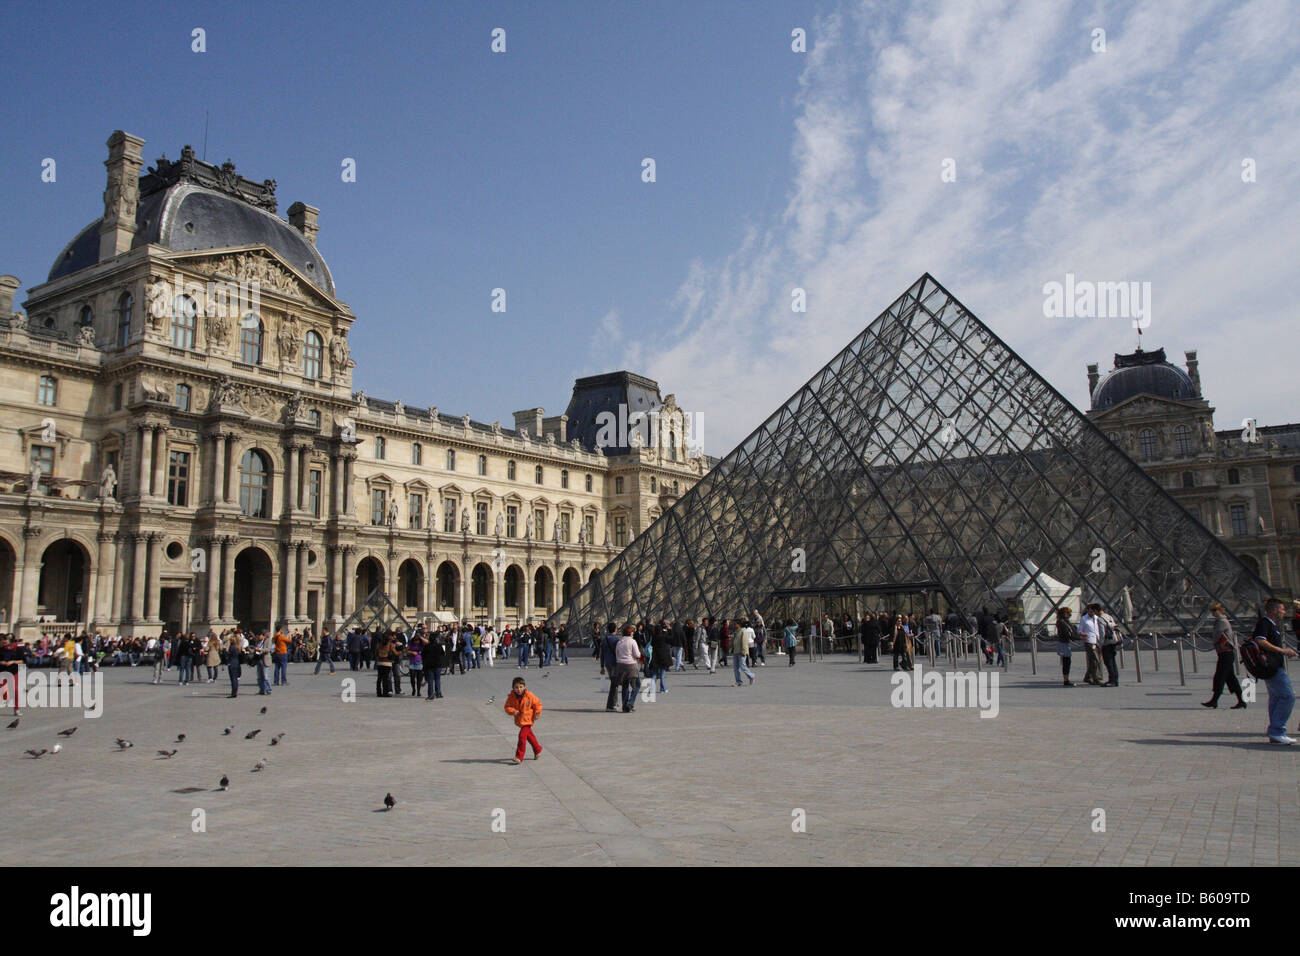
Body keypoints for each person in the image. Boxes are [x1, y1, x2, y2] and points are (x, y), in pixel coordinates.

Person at [1249, 598, 1296, 744]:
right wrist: (1282, 650)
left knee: (1276, 698)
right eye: (1282, 609)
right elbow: (1260, 640)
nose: (1284, 612)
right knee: (1288, 696)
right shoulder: (1265, 623)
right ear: (1274, 610)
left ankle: (1275, 732)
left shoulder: (1270, 624)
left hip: (1272, 666)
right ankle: (1277, 730)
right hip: (1272, 666)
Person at [1202, 603, 1244, 709]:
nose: (1213, 612)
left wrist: (1213, 640)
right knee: (1230, 678)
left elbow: (1216, 636)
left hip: (1226, 653)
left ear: (1220, 610)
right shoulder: (1220, 621)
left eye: (1215, 610)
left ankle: (1214, 700)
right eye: (1212, 610)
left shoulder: (1221, 622)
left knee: (1220, 676)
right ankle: (1241, 701)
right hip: (1225, 653)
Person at [504, 676, 543, 763]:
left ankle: (519, 756)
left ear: (524, 687)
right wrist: (513, 711)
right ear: (513, 688)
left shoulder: (529, 695)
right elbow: (507, 707)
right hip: (520, 719)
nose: (519, 689)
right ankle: (537, 749)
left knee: (522, 736)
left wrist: (537, 713)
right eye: (516, 687)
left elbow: (538, 704)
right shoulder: (511, 697)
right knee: (530, 736)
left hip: (528, 719)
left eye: (521, 687)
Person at [614, 624, 643, 713]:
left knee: (625, 686)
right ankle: (630, 702)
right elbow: (637, 655)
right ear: (630, 633)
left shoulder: (619, 642)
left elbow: (617, 654)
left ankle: (624, 706)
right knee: (637, 685)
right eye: (632, 632)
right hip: (631, 665)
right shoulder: (632, 641)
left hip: (621, 665)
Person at [1078, 604, 1103, 685]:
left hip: (1097, 641)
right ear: (1088, 610)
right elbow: (1079, 630)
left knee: (1095, 660)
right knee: (1095, 660)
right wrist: (1082, 634)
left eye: (1093, 611)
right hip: (1089, 641)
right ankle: (1095, 678)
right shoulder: (1084, 619)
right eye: (1090, 610)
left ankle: (1088, 676)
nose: (1092, 612)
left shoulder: (1097, 618)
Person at [601, 623, 622, 712]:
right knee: (614, 684)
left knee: (614, 683)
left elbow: (601, 653)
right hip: (614, 663)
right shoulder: (616, 640)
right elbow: (618, 653)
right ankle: (611, 705)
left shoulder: (604, 639)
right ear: (615, 629)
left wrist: (602, 666)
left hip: (607, 663)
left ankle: (615, 702)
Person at [1055, 607, 1076, 687]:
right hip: (1064, 643)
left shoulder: (1062, 621)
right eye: (1068, 613)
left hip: (1063, 642)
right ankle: (1066, 679)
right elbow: (1067, 632)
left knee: (1066, 661)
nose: (1069, 615)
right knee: (1066, 661)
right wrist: (1074, 637)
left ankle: (1066, 679)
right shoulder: (1062, 622)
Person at [732, 620, 755, 686]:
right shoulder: (736, 632)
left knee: (742, 665)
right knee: (736, 668)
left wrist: (744, 651)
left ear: (739, 624)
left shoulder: (743, 631)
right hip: (736, 651)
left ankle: (751, 676)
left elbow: (744, 642)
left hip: (741, 651)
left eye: (735, 624)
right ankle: (738, 681)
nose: (734, 625)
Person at [374, 631, 396, 697]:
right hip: (387, 663)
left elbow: (376, 654)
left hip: (380, 662)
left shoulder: (379, 644)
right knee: (385, 678)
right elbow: (395, 653)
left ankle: (378, 692)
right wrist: (400, 651)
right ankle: (385, 692)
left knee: (379, 678)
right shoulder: (390, 644)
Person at [225, 630, 245, 698]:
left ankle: (234, 693)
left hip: (232, 663)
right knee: (235, 678)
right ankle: (234, 692)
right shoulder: (237, 647)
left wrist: (226, 651)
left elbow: (228, 655)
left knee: (233, 678)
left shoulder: (232, 647)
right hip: (236, 662)